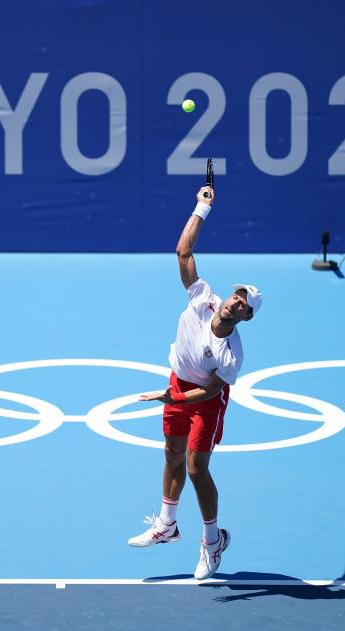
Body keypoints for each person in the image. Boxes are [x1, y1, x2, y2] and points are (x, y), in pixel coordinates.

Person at [128, 184, 262, 581]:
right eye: (236, 294)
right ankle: (167, 525)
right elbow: (183, 252)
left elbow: (213, 391)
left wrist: (173, 396)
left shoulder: (232, 354)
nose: (235, 301)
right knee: (171, 453)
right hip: (178, 382)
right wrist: (201, 208)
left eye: (243, 304)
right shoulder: (202, 297)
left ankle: (211, 541)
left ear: (246, 317)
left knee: (197, 468)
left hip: (203, 398)